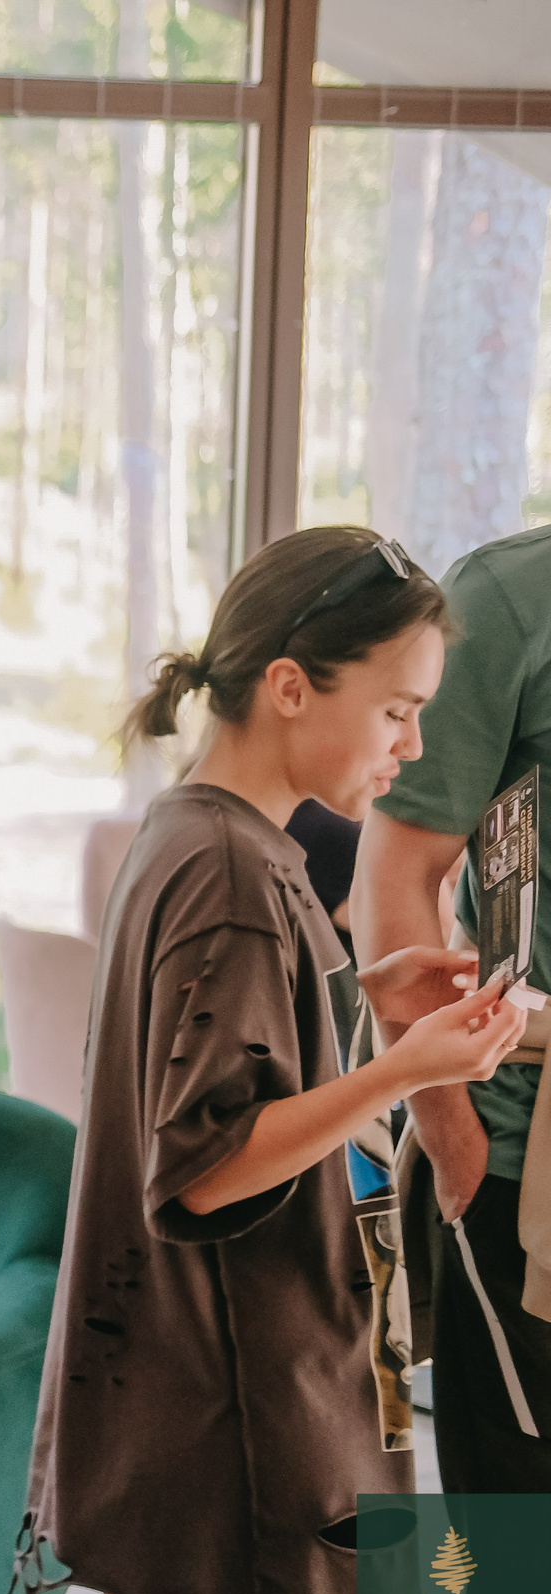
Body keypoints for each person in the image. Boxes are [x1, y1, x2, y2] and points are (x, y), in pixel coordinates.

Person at [25, 526, 526, 1594]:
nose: (412, 746)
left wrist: (357, 1000)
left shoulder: (194, 834)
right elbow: (202, 1163)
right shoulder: (237, 878)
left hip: (221, 1395)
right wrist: (404, 1069)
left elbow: (202, 1063)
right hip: (248, 1408)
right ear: (290, 686)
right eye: (397, 711)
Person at [356, 520, 551, 1495]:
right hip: (523, 1166)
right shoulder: (513, 598)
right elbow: (393, 879)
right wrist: (452, 1143)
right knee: (511, 1568)